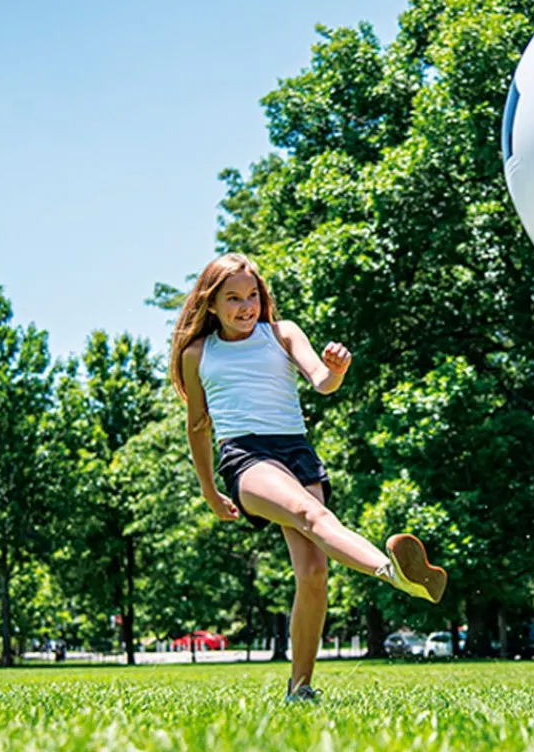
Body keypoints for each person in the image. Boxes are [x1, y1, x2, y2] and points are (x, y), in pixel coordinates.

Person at [170, 252, 447, 703]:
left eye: (252, 296)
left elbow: (320, 380)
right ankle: (391, 571)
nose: (246, 307)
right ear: (212, 303)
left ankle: (300, 689)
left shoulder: (282, 333)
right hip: (245, 455)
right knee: (308, 512)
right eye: (233, 298)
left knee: (314, 572)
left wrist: (334, 371)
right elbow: (198, 426)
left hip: (296, 450)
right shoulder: (198, 353)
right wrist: (209, 490)